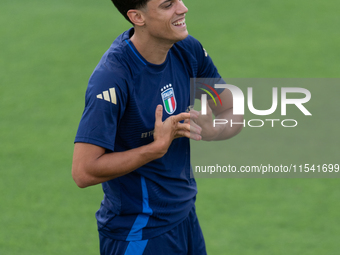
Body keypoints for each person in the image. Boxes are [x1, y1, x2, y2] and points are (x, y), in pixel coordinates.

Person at [72, 0, 243, 254]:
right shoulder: (112, 78)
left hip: (185, 219)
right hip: (137, 234)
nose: (183, 8)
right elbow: (83, 172)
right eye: (167, 5)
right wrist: (155, 148)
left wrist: (214, 130)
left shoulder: (187, 51)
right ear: (137, 17)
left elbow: (231, 110)